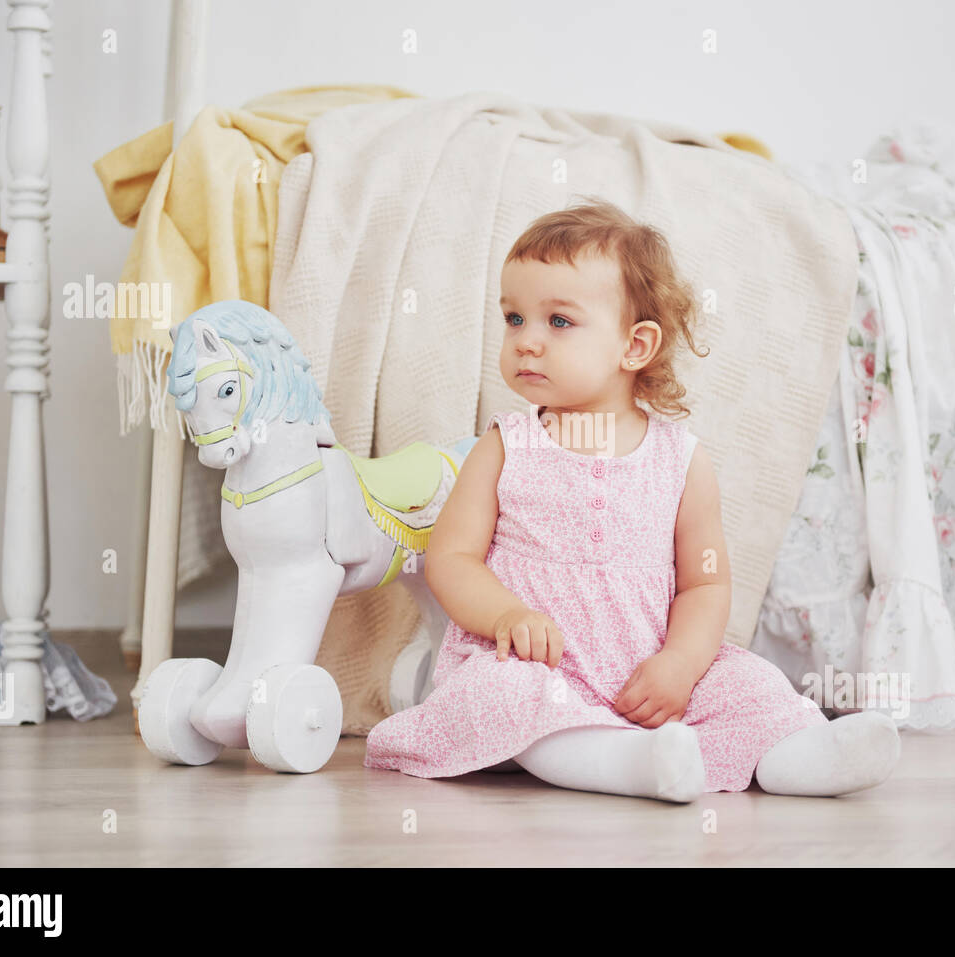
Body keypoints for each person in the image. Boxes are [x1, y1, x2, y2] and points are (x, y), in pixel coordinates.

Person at [364, 198, 901, 802]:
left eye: (557, 322)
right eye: (514, 319)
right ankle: (630, 765)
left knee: (748, 682)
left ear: (635, 346)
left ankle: (801, 756)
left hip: (646, 670)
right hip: (540, 667)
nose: (527, 342)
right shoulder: (505, 447)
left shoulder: (680, 461)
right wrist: (505, 616)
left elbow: (705, 585)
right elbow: (452, 559)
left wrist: (677, 664)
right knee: (505, 698)